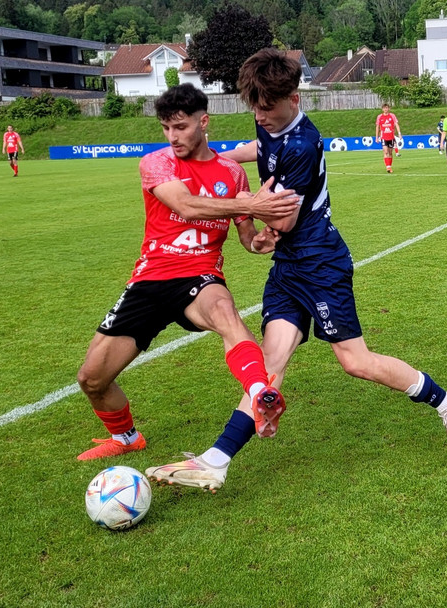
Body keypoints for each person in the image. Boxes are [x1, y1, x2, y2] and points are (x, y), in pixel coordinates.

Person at [146, 49, 447, 493]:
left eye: (268, 108)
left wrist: (252, 215)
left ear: (294, 99)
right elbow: (256, 147)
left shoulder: (302, 144)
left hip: (320, 261)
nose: (260, 116)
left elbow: (282, 221)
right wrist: (224, 161)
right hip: (289, 265)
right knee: (268, 366)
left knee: (355, 361)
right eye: (254, 108)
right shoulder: (270, 121)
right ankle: (217, 460)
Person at [76, 83, 298, 461]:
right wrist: (249, 204)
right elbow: (187, 205)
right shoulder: (157, 163)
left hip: (199, 274)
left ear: (204, 121)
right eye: (166, 127)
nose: (172, 136)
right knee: (91, 378)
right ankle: (127, 437)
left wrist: (261, 240)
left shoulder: (231, 173)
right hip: (150, 278)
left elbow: (246, 238)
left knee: (226, 314)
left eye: (180, 127)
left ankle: (261, 394)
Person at [375, 103, 402, 173]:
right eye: (384, 108)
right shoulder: (379, 117)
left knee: (390, 152)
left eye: (386, 108)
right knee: (385, 151)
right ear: (382, 109)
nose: (385, 109)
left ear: (389, 109)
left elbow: (396, 124)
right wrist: (376, 137)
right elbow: (377, 127)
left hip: (391, 137)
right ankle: (388, 167)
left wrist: (399, 134)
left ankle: (389, 166)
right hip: (383, 137)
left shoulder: (392, 116)